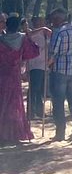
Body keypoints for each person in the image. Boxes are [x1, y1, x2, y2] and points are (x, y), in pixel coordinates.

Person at [0, 16, 39, 144]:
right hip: (14, 75)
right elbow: (33, 52)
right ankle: (13, 133)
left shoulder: (1, 39)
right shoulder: (22, 38)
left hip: (2, 74)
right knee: (14, 104)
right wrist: (28, 35)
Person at [47, 9, 72, 141]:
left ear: (58, 19)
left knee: (58, 101)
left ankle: (60, 133)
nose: (52, 22)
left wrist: (48, 64)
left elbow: (54, 52)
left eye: (53, 19)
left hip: (60, 70)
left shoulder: (59, 32)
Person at [25, 16, 51, 121]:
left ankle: (40, 111)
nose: (41, 23)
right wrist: (42, 29)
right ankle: (31, 112)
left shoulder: (46, 35)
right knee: (33, 89)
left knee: (41, 90)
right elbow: (28, 35)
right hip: (34, 65)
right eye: (38, 21)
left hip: (44, 65)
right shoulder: (32, 33)